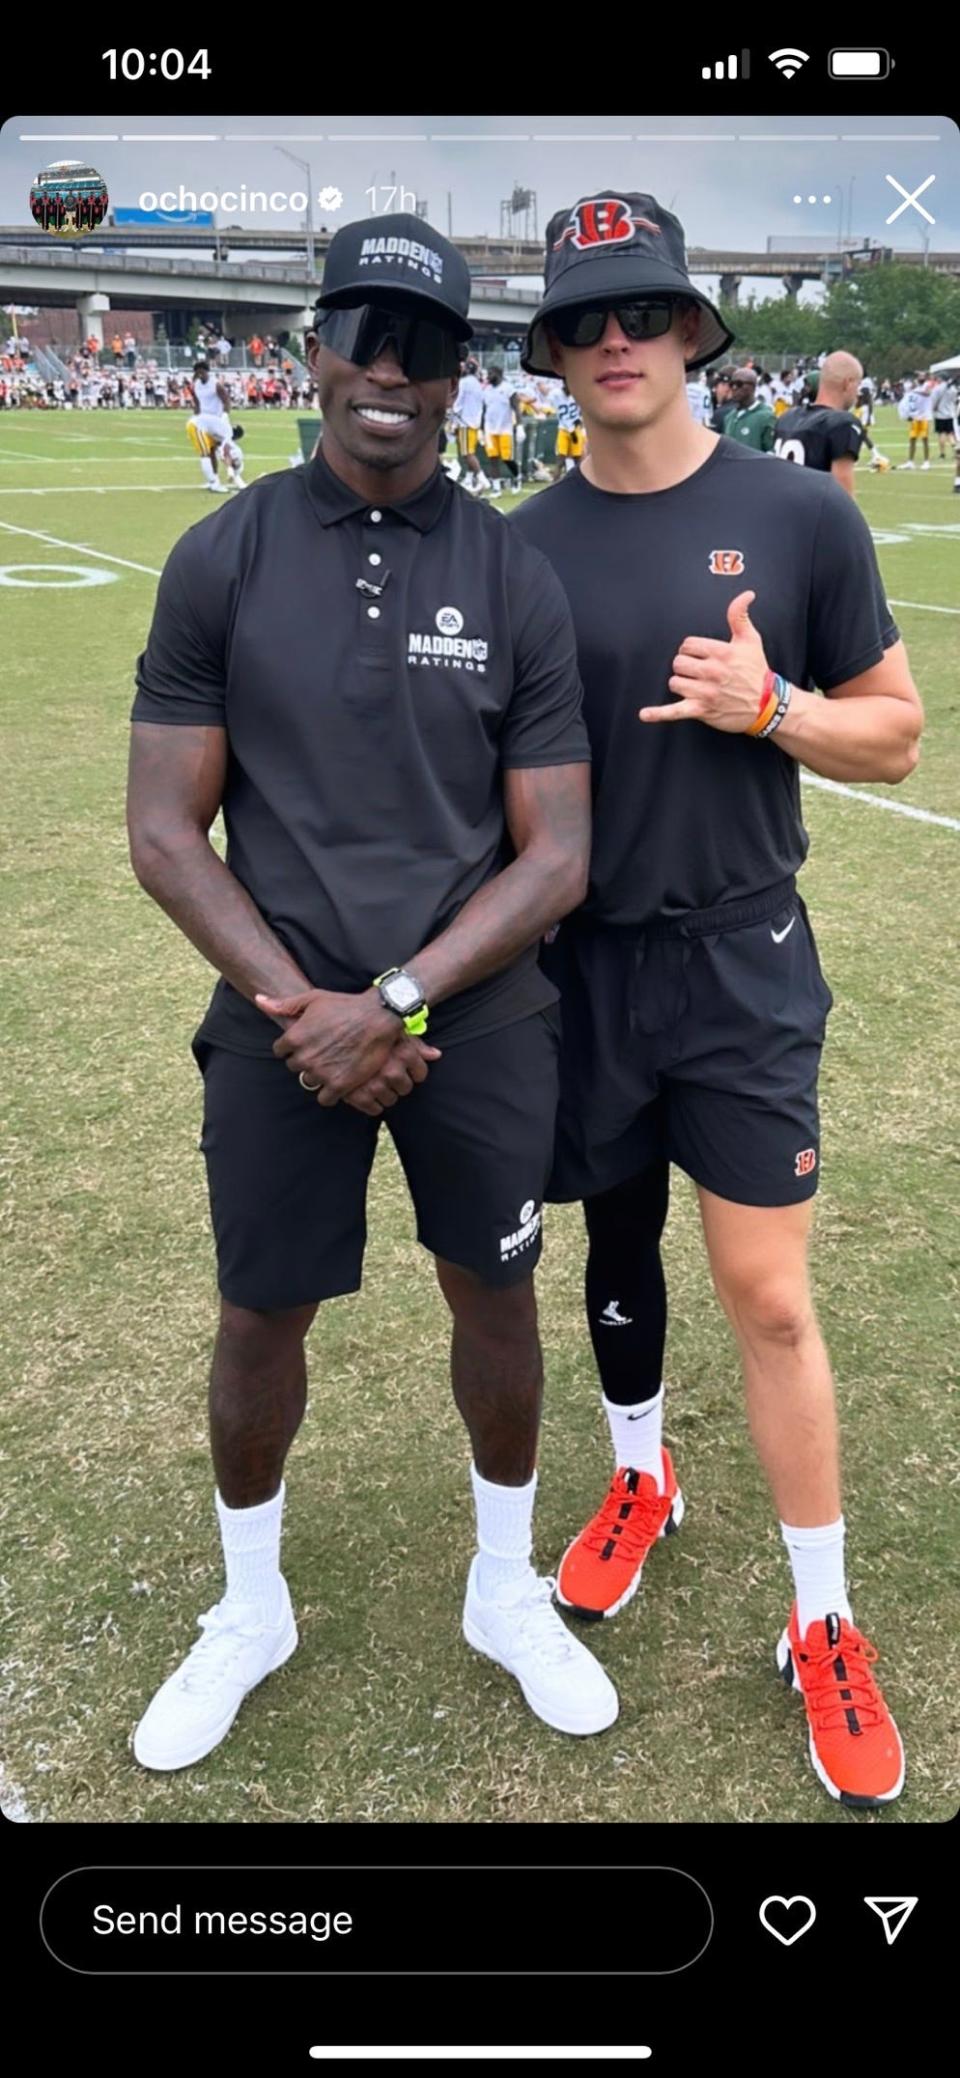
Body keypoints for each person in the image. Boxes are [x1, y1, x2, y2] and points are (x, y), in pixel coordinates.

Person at [126, 210, 617, 1774]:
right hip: (280, 1021)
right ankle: (251, 1604)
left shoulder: (515, 573)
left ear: (461, 378)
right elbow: (162, 831)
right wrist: (309, 1007)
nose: (389, 372)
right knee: (261, 1312)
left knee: (497, 1295)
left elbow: (555, 858)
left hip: (471, 1019)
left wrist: (394, 998)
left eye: (425, 348)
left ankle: (501, 1584)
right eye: (365, 337)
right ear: (314, 350)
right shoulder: (226, 552)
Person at [513, 186, 923, 1809]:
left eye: (642, 311)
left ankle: (821, 1615)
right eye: (583, 319)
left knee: (765, 1290)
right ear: (553, 352)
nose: (615, 339)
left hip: (742, 957)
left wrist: (774, 708)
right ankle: (639, 1475)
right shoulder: (521, 546)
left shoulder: (800, 515)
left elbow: (895, 732)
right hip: (579, 969)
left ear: (690, 329)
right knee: (609, 1245)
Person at [773, 350, 868, 497]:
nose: (858, 392)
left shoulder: (787, 417)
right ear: (847, 383)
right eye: (858, 384)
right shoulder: (842, 423)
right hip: (812, 515)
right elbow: (842, 498)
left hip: (782, 510)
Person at [453, 354, 492, 493]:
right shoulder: (477, 383)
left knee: (467, 453)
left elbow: (458, 401)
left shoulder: (464, 383)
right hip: (475, 421)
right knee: (471, 451)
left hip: (464, 421)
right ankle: (469, 479)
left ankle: (482, 479)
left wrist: (452, 412)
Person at [482, 364, 522, 490]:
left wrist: (520, 426)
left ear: (498, 374)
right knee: (493, 458)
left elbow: (516, 408)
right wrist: (481, 429)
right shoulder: (486, 391)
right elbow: (484, 410)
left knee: (507, 458)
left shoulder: (508, 389)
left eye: (490, 374)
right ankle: (496, 487)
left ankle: (517, 477)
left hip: (505, 428)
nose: (488, 377)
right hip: (490, 429)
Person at [723, 367, 776, 451]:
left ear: (753, 387)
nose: (734, 388)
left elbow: (771, 452)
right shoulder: (729, 417)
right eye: (731, 384)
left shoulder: (766, 416)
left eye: (739, 384)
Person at [899, 374, 932, 469]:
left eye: (922, 377)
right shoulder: (914, 389)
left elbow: (927, 393)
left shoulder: (927, 385)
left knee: (925, 439)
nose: (920, 378)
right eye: (919, 377)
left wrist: (915, 391)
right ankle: (910, 461)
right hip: (915, 417)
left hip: (924, 417)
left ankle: (926, 461)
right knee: (912, 439)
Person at [930, 373, 959, 461]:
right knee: (950, 434)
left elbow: (933, 401)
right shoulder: (953, 389)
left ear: (940, 379)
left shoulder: (938, 388)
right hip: (950, 414)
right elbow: (954, 400)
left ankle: (942, 454)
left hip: (940, 415)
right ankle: (956, 449)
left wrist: (933, 409)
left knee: (941, 434)